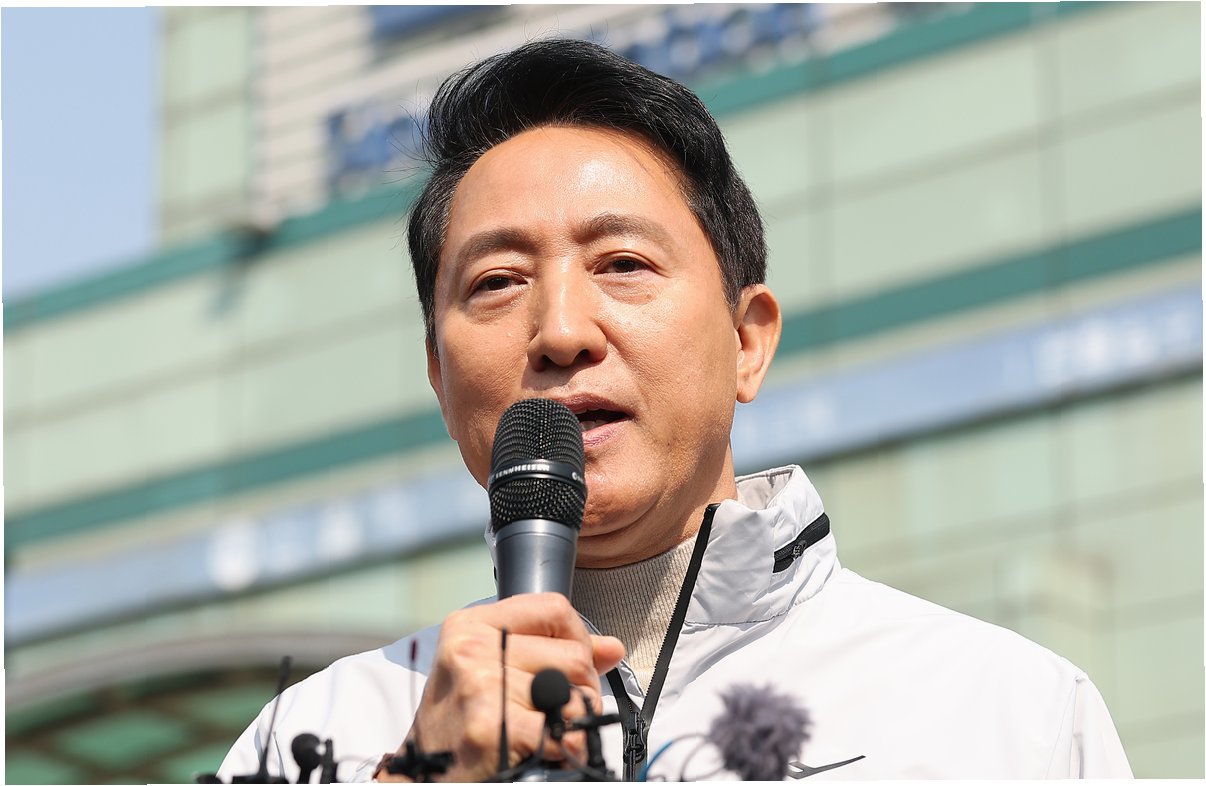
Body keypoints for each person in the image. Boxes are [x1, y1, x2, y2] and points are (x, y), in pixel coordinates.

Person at [219, 39, 1132, 782]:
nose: (561, 331)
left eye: (622, 264)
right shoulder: (314, 735)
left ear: (747, 340)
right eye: (497, 282)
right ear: (438, 377)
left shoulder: (1003, 713)